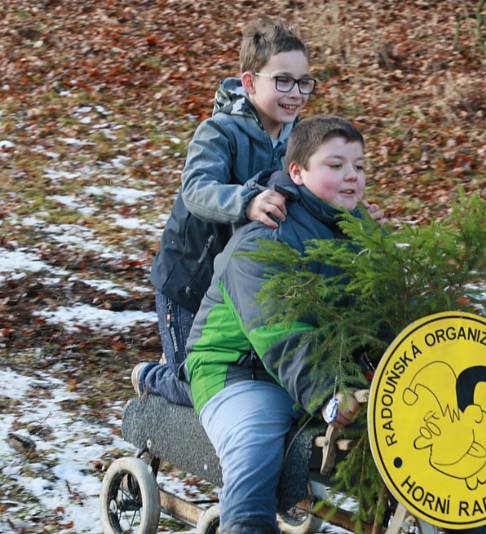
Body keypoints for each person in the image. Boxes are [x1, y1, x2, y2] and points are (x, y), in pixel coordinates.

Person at [185, 116, 365, 532]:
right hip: (242, 370)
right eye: (335, 166)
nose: (352, 176)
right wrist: (325, 393)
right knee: (256, 445)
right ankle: (246, 524)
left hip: (322, 372)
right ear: (297, 172)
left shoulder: (357, 232)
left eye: (359, 166)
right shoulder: (267, 239)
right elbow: (280, 332)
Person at [132, 18, 315, 405]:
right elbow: (196, 189)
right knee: (199, 384)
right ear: (249, 83)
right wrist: (246, 201)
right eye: (282, 81)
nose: (295, 93)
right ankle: (153, 376)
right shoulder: (219, 132)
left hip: (245, 284)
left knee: (249, 381)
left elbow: (318, 190)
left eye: (303, 82)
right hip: (190, 283)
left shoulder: (301, 140)